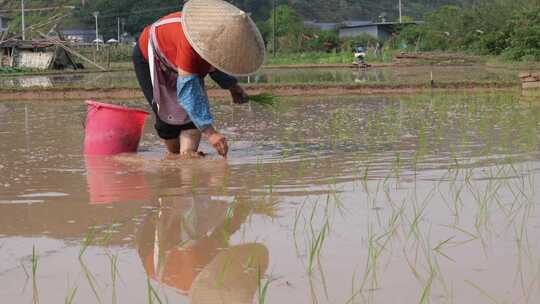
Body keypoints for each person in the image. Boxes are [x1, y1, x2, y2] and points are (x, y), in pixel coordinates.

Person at [132, 0, 266, 158]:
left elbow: (214, 64)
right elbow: (188, 90)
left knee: (191, 118)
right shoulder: (190, 41)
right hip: (151, 55)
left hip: (179, 55)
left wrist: (232, 86)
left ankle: (187, 156)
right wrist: (211, 133)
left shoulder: (216, 40)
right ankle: (174, 157)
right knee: (166, 117)